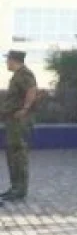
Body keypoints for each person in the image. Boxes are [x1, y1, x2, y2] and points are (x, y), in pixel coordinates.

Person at [2, 49, 38, 203]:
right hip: (12, 120)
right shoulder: (17, 75)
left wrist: (25, 109)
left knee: (18, 154)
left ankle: (20, 189)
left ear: (14, 60)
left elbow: (32, 90)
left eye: (8, 60)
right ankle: (15, 186)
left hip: (19, 121)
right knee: (12, 154)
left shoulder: (24, 74)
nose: (6, 63)